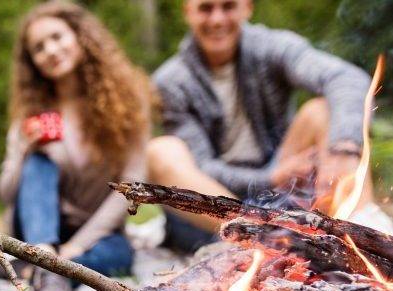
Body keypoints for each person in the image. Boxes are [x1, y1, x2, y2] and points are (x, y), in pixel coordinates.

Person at [0, 1, 230, 291]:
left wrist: (75, 247)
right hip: (39, 227)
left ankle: (42, 272)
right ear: (33, 62)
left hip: (95, 229)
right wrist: (24, 149)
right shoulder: (32, 113)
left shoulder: (125, 100)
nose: (50, 50)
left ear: (80, 37)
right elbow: (6, 194)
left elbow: (129, 187)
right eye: (39, 48)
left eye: (57, 37)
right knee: (39, 163)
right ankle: (41, 258)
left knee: (120, 256)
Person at [149, 0, 393, 251]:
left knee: (320, 111)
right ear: (188, 13)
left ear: (247, 8)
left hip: (279, 200)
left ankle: (364, 229)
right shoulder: (170, 81)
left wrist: (344, 147)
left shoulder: (272, 47)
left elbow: (346, 77)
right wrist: (269, 177)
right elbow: (202, 167)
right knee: (160, 150)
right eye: (206, 9)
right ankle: (251, 235)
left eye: (228, 6)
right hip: (209, 212)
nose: (217, 20)